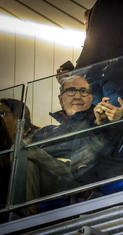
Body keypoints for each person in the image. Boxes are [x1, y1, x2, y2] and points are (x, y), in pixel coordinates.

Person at [23, 75, 112, 204]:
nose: (77, 96)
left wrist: (100, 124)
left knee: (25, 150)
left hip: (81, 180)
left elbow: (96, 154)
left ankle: (23, 217)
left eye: (83, 91)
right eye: (71, 90)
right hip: (55, 182)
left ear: (91, 98)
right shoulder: (48, 131)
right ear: (60, 99)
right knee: (26, 157)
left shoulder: (100, 120)